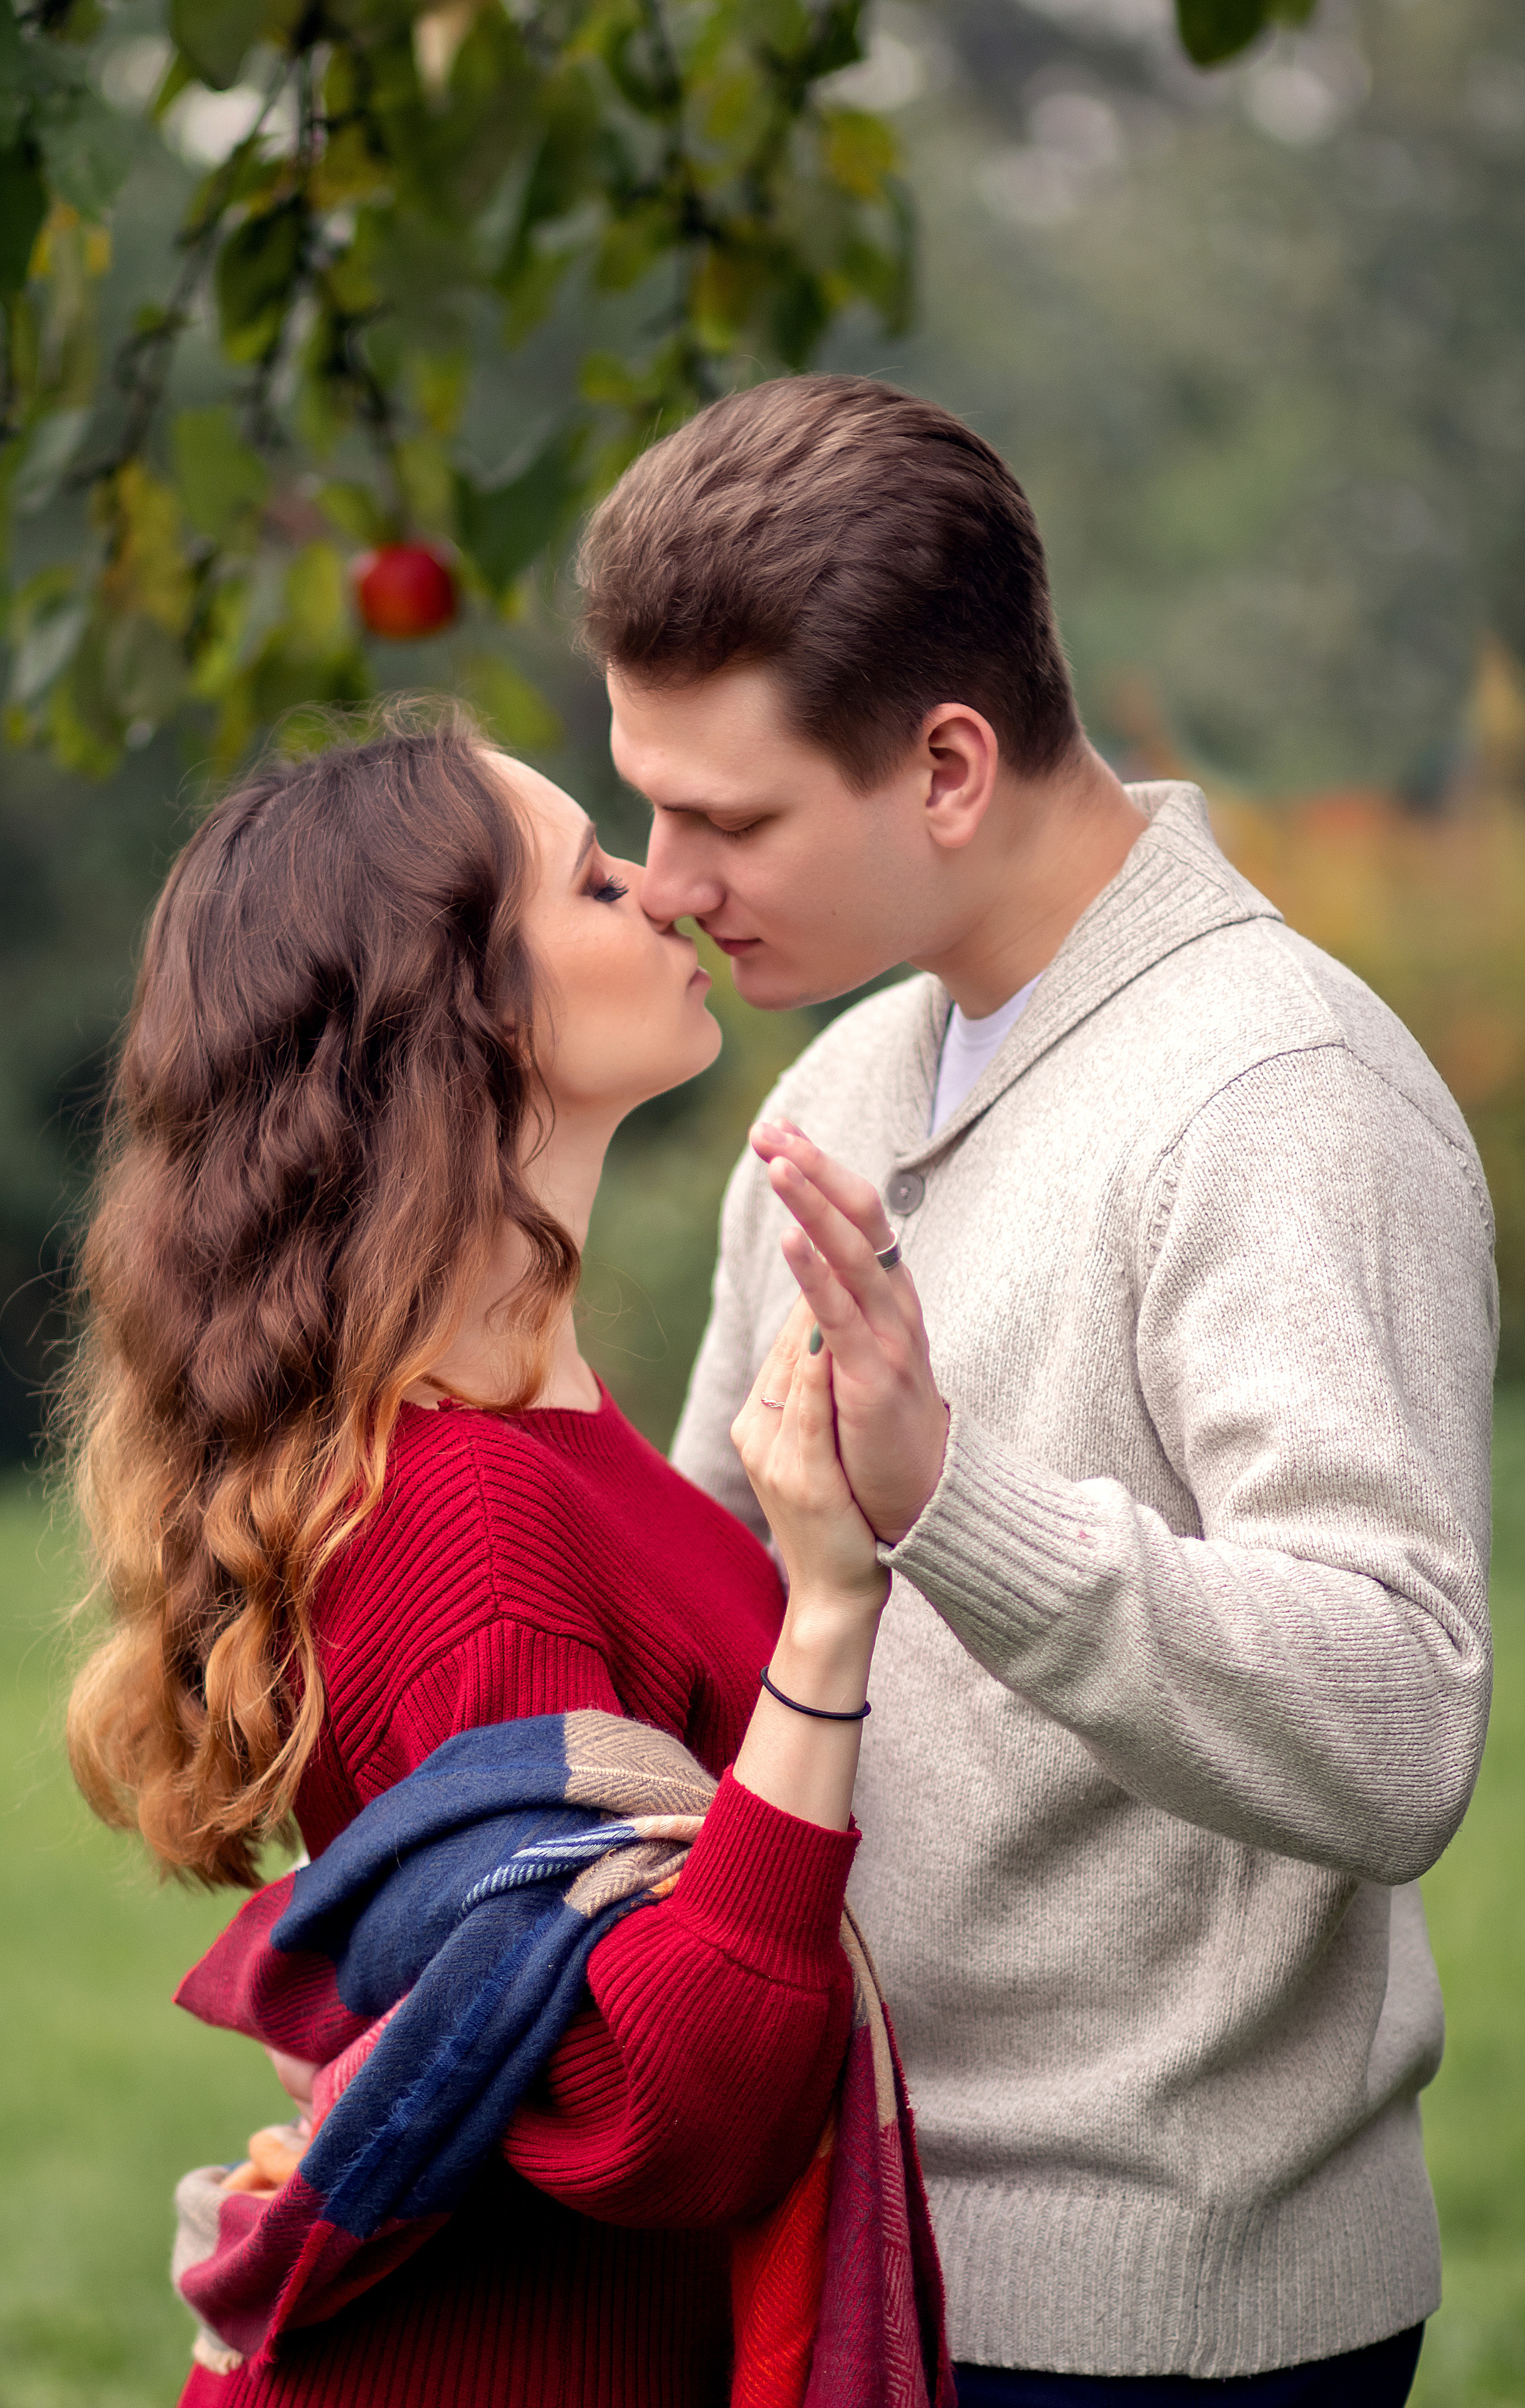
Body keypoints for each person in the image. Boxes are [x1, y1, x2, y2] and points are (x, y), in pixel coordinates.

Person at [576, 374, 1497, 2406]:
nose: (661, 879)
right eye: (650, 809)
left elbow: (1402, 1724)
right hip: (838, 2240)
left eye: (727, 819)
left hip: (1161, 2326)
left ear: (952, 767)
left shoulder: (1281, 1102)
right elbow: (728, 1634)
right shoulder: (843, 1085)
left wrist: (949, 1504)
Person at [60, 706, 914, 2408]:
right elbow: (659, 2103)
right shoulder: (470, 1518)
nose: (667, 891)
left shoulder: (541, 1446)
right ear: (471, 1012)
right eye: (597, 881)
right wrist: (827, 1614)